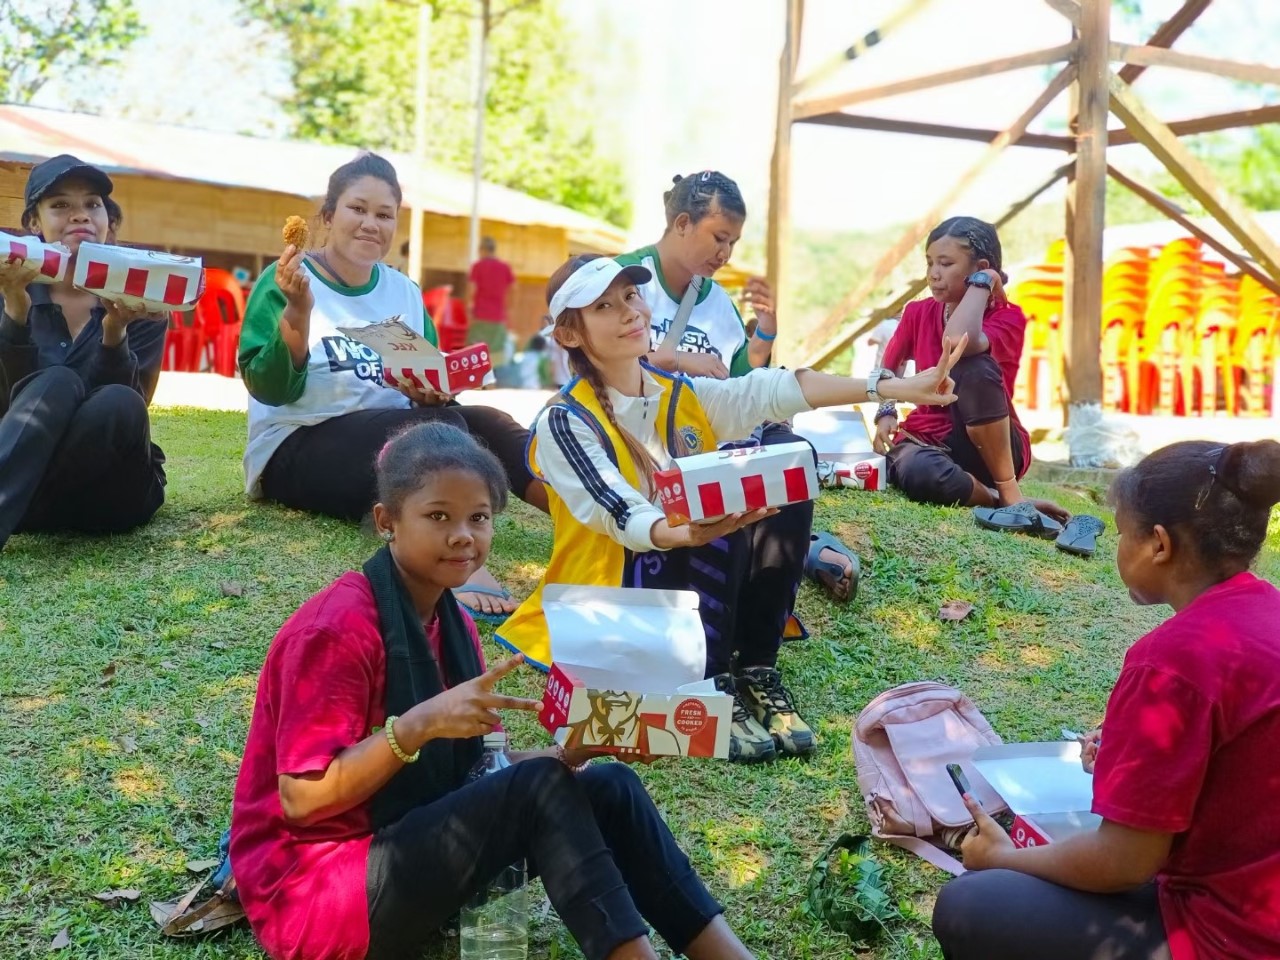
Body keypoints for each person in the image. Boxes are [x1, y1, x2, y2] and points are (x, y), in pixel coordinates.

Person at [230, 420, 757, 960]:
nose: (463, 535)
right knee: (538, 787)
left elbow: (487, 776)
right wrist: (418, 726)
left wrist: (569, 754)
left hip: (402, 843)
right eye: (438, 516)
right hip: (312, 895)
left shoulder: (448, 618)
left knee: (612, 785)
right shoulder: (336, 630)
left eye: (478, 518)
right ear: (388, 521)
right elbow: (301, 801)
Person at [498, 255, 965, 762]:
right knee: (695, 496)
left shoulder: (680, 393)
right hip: (616, 596)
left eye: (630, 297)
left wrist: (894, 388)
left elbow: (777, 389)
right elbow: (619, 509)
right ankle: (710, 680)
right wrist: (684, 531)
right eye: (604, 306)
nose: (629, 312)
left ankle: (757, 667)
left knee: (786, 461)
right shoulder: (564, 421)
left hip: (699, 576)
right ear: (570, 334)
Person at [932, 439, 1280, 960]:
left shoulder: (1169, 661)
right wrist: (1128, 758)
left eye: (1121, 534)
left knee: (971, 903)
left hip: (1232, 938)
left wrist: (1003, 856)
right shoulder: (1267, 612)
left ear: (1158, 544)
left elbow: (1125, 863)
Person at [238, 153, 538, 619]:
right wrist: (297, 311)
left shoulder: (404, 292)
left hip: (393, 443)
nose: (369, 225)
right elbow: (269, 388)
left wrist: (431, 390)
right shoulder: (289, 279)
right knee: (441, 424)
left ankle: (581, 512)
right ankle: (457, 559)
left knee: (486, 421)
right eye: (357, 209)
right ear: (329, 215)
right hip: (297, 445)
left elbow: (431, 382)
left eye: (384, 215)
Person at [617, 170, 859, 608]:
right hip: (648, 441)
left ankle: (760, 651)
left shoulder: (718, 301)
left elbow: (741, 379)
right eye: (719, 237)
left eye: (733, 242)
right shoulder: (624, 279)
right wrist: (675, 360)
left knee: (789, 451)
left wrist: (764, 336)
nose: (725, 253)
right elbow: (601, 368)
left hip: (714, 437)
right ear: (683, 223)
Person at [0, 154, 166, 550]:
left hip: (110, 493)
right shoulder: (5, 290)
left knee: (120, 401)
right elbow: (6, 408)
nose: (80, 215)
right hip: (27, 482)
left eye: (93, 204)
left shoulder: (143, 299)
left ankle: (25, 504)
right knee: (57, 381)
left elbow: (129, 417)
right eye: (60, 205)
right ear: (34, 224)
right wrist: (15, 313)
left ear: (109, 221)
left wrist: (114, 332)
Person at [872, 217, 1068, 530]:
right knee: (917, 471)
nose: (934, 274)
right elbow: (889, 363)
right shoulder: (917, 312)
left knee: (969, 363)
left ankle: (1008, 490)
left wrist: (985, 279)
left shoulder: (1008, 317)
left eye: (946, 263)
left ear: (979, 267)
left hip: (992, 449)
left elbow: (955, 341)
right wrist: (886, 411)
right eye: (930, 263)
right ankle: (996, 499)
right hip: (930, 443)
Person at [466, 235, 517, 368]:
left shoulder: (478, 266)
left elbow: (472, 289)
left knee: (475, 350)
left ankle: (479, 381)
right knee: (494, 352)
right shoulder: (504, 267)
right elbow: (514, 289)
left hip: (480, 315)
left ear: (483, 250)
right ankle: (491, 381)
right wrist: (509, 308)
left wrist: (469, 310)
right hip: (498, 316)